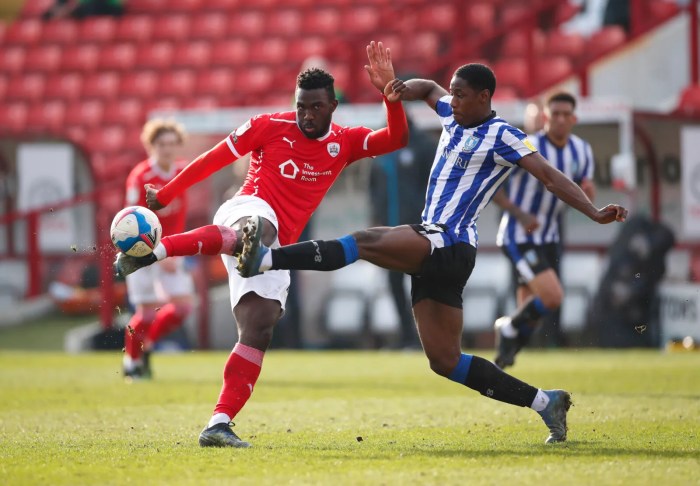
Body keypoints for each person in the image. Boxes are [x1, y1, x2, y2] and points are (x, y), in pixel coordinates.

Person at [237, 64, 628, 444]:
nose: (452, 99)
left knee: (364, 241)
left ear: (484, 97)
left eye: (460, 93)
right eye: (452, 92)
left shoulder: (503, 135)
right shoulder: (451, 114)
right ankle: (546, 402)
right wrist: (399, 88)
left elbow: (549, 176)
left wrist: (593, 212)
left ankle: (266, 259)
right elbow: (427, 89)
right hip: (439, 247)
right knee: (445, 361)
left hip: (450, 241)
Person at [115, 41, 409, 447]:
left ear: (333, 106)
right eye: (301, 105)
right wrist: (166, 193)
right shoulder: (268, 126)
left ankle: (218, 423)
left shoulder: (346, 142)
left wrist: (389, 95)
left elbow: (396, 138)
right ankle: (157, 251)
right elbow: (212, 159)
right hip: (246, 208)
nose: (306, 114)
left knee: (259, 326)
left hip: (276, 249)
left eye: (315, 108)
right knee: (258, 226)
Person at [492, 91, 596, 367]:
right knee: (552, 296)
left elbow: (583, 189)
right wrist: (521, 215)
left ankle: (505, 355)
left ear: (573, 119)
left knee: (530, 311)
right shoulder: (526, 145)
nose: (560, 120)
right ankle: (507, 329)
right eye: (555, 114)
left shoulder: (582, 150)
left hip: (549, 236)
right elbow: (495, 191)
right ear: (546, 117)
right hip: (518, 235)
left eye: (566, 115)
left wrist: (588, 193)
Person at [121, 119, 194, 380]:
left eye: (172, 144)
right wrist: (155, 252)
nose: (167, 149)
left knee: (183, 309)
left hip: (170, 249)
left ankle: (146, 345)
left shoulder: (182, 171)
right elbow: (131, 220)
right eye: (161, 144)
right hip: (139, 252)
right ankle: (132, 361)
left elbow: (180, 214)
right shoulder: (140, 176)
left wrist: (173, 250)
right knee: (147, 313)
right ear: (151, 146)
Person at [368, 115, 435, 348]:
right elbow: (373, 188)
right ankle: (408, 337)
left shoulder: (424, 145)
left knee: (425, 285)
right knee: (394, 284)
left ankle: (431, 337)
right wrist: (376, 219)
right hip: (388, 233)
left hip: (420, 233)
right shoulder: (381, 148)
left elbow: (434, 188)